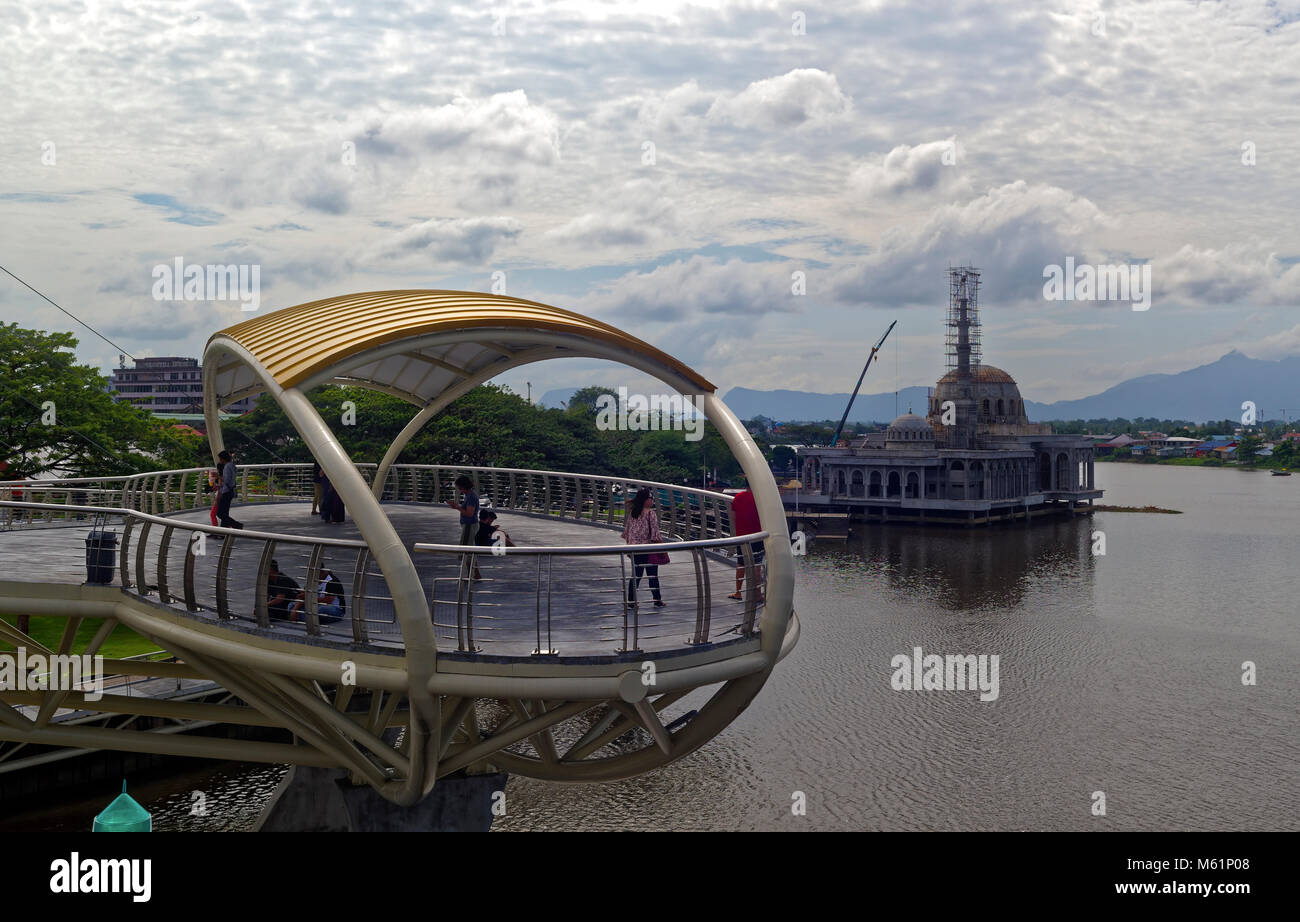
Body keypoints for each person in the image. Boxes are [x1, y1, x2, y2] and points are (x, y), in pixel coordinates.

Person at [621, 487, 665, 607]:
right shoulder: (651, 514)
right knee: (652, 575)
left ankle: (631, 602)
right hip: (648, 549)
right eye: (650, 498)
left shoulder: (633, 513)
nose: (652, 501)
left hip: (635, 549)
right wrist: (662, 547)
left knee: (636, 576)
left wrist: (629, 547)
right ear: (645, 500)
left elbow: (627, 532)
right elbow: (655, 534)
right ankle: (657, 600)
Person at [727, 488, 765, 601]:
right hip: (757, 536)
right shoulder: (760, 498)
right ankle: (758, 594)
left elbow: (734, 517)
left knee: (741, 564)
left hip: (742, 536)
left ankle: (738, 592)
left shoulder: (738, 497)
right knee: (757, 565)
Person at [447, 475, 482, 580]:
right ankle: (475, 573)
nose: (459, 490)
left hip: (469, 526)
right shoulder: (470, 495)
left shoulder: (470, 496)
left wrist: (456, 507)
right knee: (468, 550)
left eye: (460, 488)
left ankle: (473, 574)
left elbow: (469, 513)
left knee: (466, 550)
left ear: (463, 486)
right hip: (470, 525)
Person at [215, 450, 244, 529]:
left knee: (220, 513)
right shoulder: (232, 465)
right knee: (225, 512)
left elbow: (226, 480)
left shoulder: (227, 467)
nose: (219, 460)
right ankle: (224, 531)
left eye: (220, 458)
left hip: (227, 491)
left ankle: (237, 525)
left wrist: (218, 477)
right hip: (231, 491)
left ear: (223, 459)